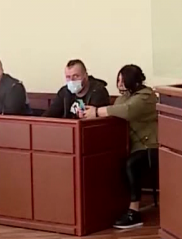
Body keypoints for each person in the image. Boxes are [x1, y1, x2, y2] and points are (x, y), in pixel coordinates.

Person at [82, 64, 158, 229]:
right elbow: (115, 112)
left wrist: (97, 112)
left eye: (123, 81)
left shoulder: (146, 96)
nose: (120, 84)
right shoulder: (123, 98)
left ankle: (134, 212)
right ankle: (115, 205)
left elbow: (127, 110)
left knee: (132, 164)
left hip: (149, 146)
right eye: (118, 80)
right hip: (129, 145)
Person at [43, 59, 110, 119]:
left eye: (75, 76)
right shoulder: (64, 92)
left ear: (85, 76)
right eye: (68, 77)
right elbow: (49, 115)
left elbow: (97, 122)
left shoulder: (98, 92)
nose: (71, 80)